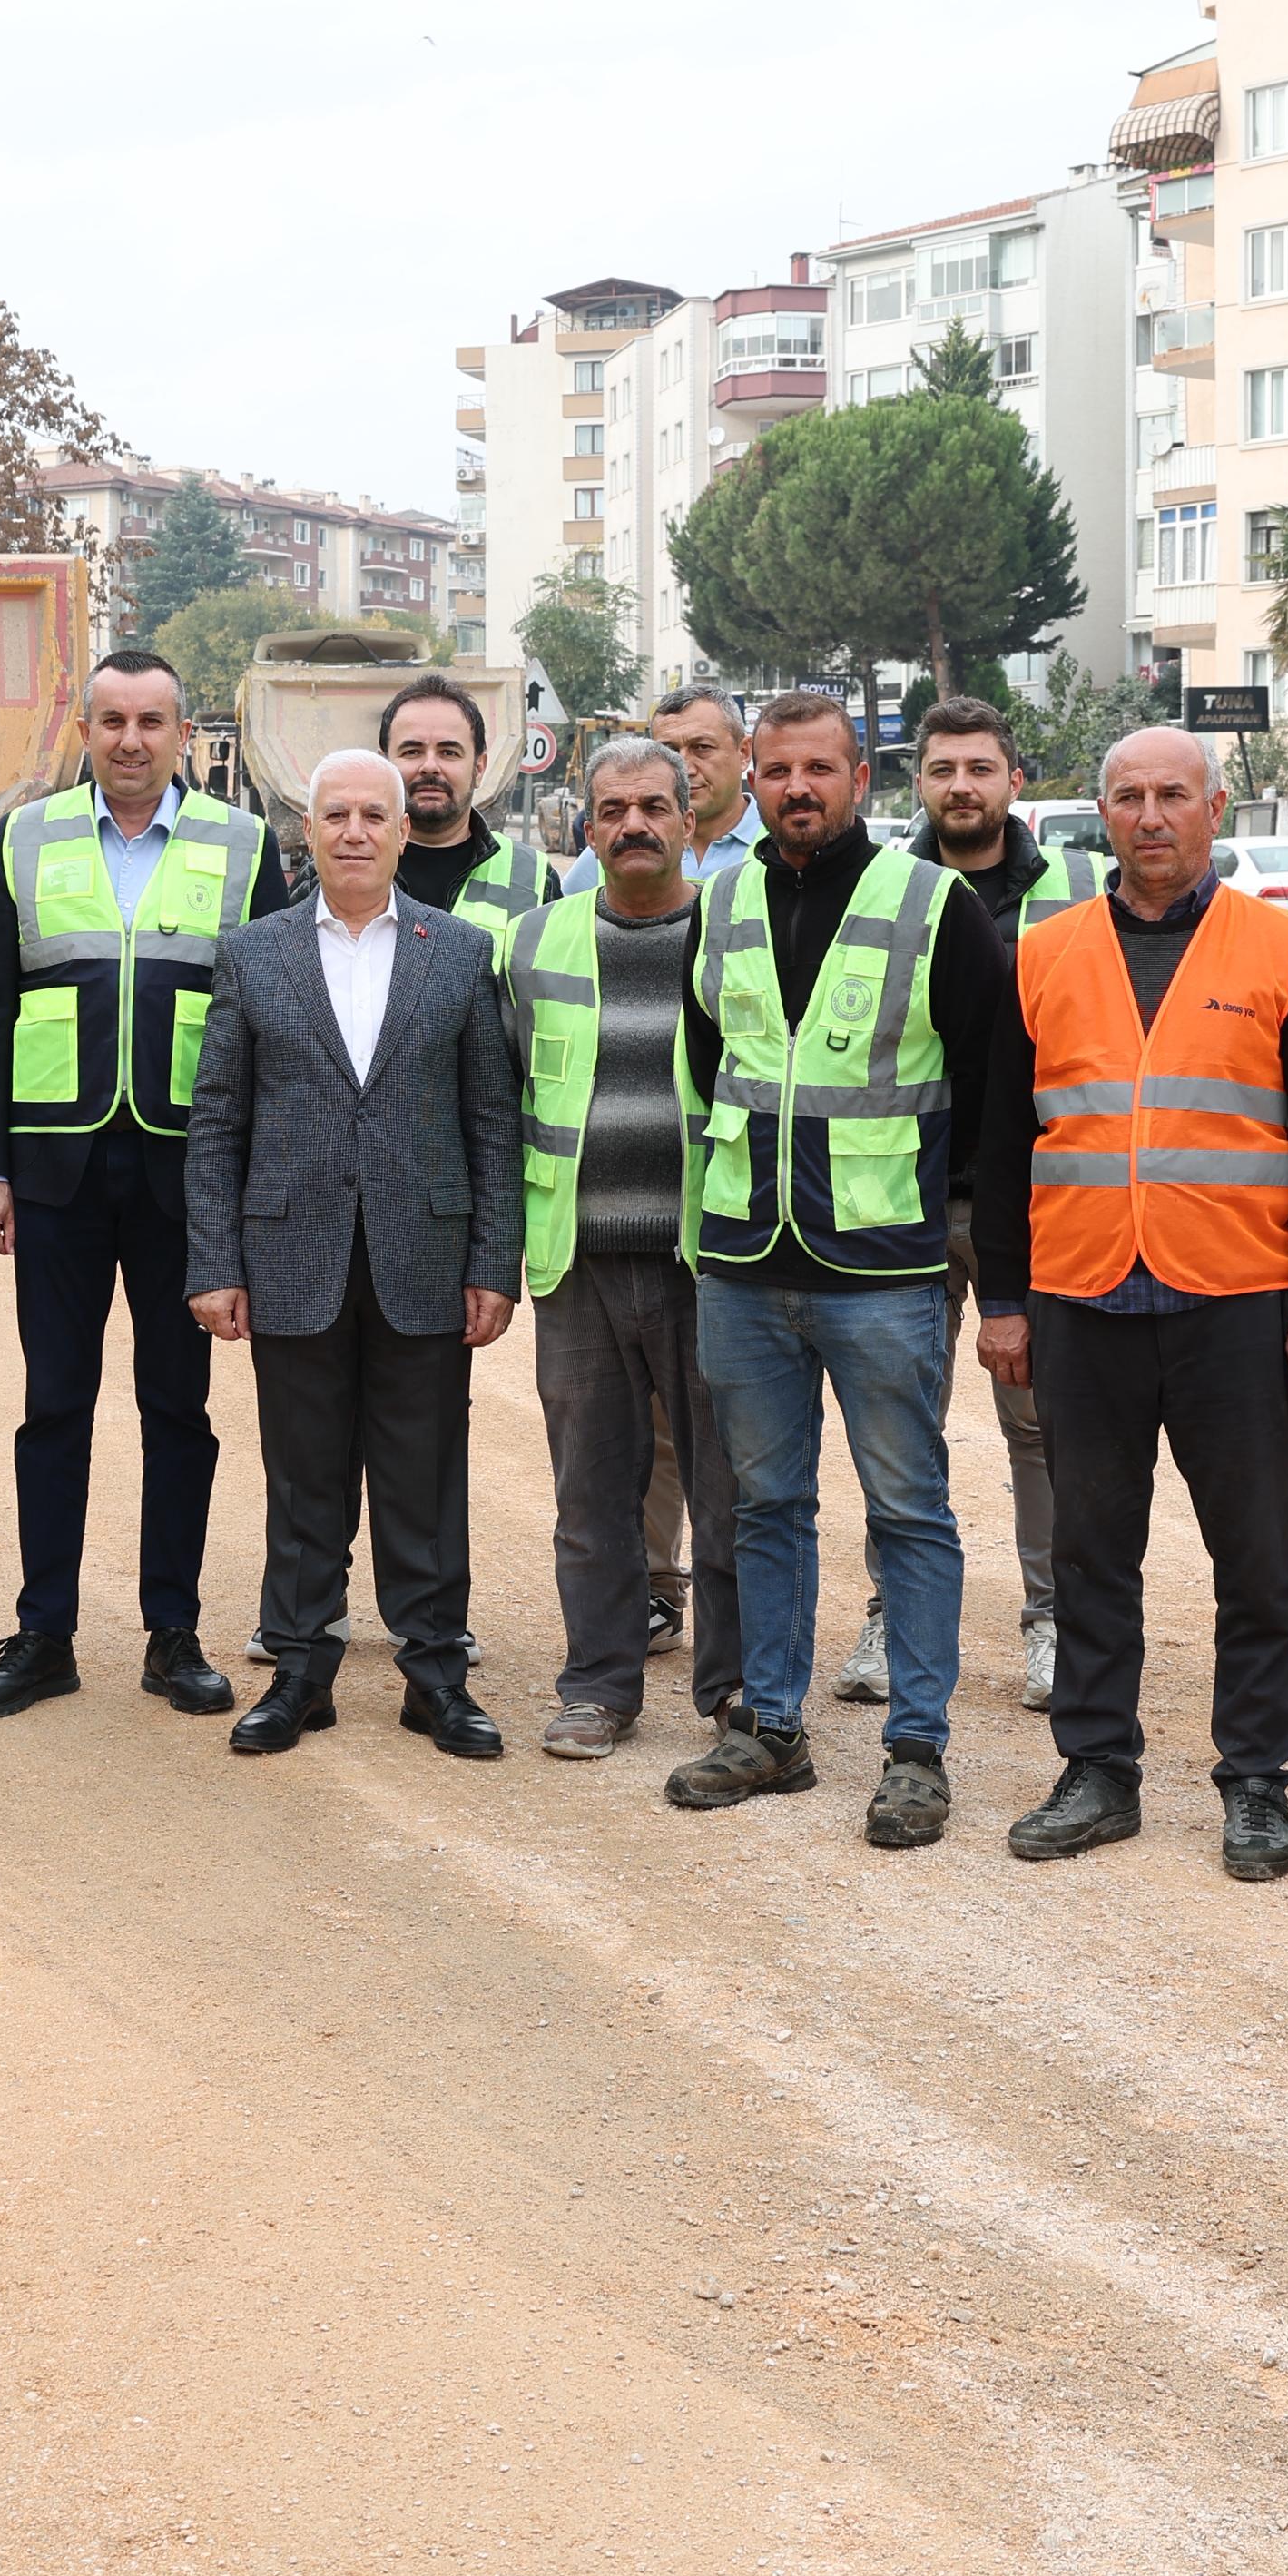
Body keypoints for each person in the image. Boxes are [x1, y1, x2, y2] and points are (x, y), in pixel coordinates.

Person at [978, 726, 1288, 1880]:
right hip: (1081, 1296)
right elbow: (999, 1144)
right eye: (1128, 798)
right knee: (1091, 1553)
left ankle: (1255, 1779)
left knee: (1252, 1560)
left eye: (1172, 797)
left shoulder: (1281, 950)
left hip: (1233, 1299)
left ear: (1215, 808)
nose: (1150, 818)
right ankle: (1097, 1768)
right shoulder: (1042, 953)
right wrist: (1004, 1298)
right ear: (1102, 814)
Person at [661, 690, 1027, 1851]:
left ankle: (915, 1750)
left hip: (882, 1266)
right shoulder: (719, 903)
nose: (796, 790)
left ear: (857, 780)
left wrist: (973, 1242)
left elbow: (992, 1090)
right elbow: (706, 1070)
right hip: (742, 1262)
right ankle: (770, 1726)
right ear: (749, 780)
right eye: (776, 772)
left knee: (908, 1510)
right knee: (764, 1505)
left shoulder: (930, 904)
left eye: (817, 770)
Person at [0, 648, 292, 1721]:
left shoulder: (241, 845)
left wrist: (250, 1182)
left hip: (187, 1175)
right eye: (111, 721)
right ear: (84, 733)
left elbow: (271, 1023)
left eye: (152, 722)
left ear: (184, 735)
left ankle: (171, 1634)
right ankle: (43, 1634)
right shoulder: (26, 836)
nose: (131, 740)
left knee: (176, 1408)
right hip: (52, 1173)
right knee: (53, 1405)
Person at [182, 750, 524, 1757]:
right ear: (308, 830)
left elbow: (490, 1120)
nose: (355, 832)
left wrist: (492, 1263)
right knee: (303, 1477)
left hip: (425, 1254)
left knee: (425, 1475)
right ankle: (300, 1673)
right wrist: (214, 1261)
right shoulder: (254, 953)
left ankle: (435, 1675)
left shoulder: (458, 952)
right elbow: (218, 1121)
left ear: (403, 831)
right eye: (335, 814)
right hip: (292, 1254)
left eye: (374, 815)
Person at [843, 691, 1104, 1721]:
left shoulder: (1078, 886)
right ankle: (893, 1615)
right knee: (897, 1423)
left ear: (1014, 781)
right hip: (902, 1192)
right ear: (918, 782)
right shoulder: (881, 889)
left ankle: (1052, 1622)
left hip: (1035, 1200)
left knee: (1039, 1425)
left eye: (979, 769)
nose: (961, 787)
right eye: (943, 770)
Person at [516, 734, 737, 1758]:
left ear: (691, 821)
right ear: (586, 826)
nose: (633, 825)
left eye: (653, 807)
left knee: (729, 1487)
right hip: (579, 1261)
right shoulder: (534, 943)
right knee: (590, 1491)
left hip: (711, 1262)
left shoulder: (736, 935)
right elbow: (505, 1098)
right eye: (612, 810)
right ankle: (598, 1688)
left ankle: (735, 1692)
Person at [380, 672, 549, 960]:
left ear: (479, 768)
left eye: (449, 752)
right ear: (382, 765)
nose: (430, 766)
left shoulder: (532, 877)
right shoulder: (337, 865)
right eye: (412, 751)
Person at [561, 681, 761, 894]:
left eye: (702, 747)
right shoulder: (612, 851)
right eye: (669, 752)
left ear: (744, 752)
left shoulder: (778, 845)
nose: (685, 768)